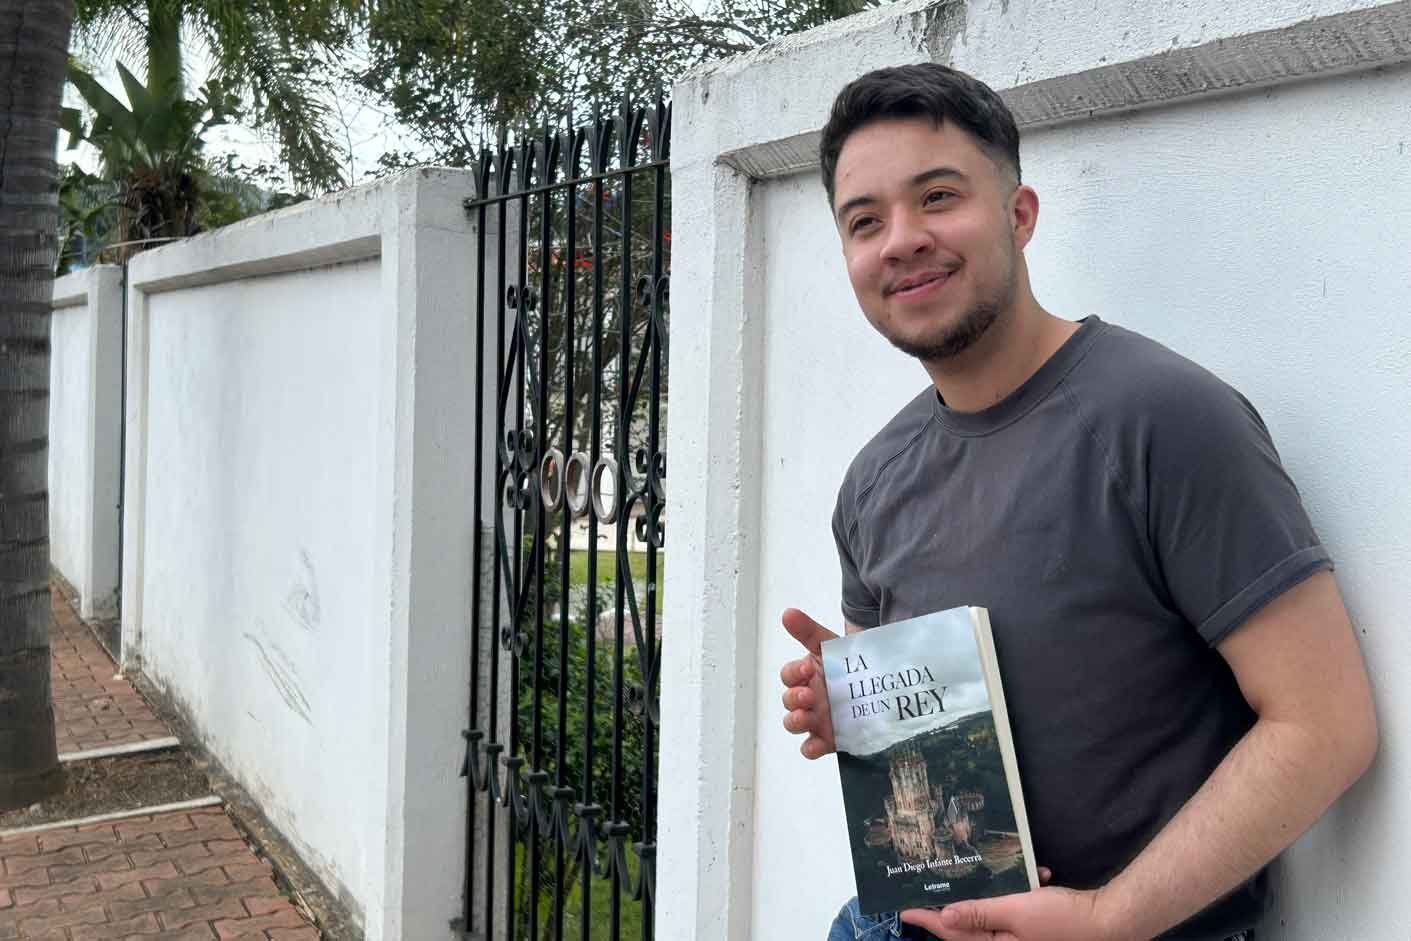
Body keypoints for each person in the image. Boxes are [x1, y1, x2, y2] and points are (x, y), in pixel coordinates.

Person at [779, 63, 1378, 941]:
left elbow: (1325, 722)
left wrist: (1108, 916)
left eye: (937, 197)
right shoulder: (872, 479)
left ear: (1019, 214)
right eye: (863, 221)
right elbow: (934, 755)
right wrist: (864, 719)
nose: (900, 240)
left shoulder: (1164, 418)